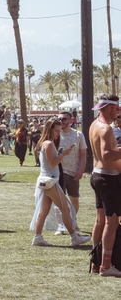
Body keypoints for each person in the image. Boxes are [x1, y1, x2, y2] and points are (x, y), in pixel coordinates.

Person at [30, 117, 90, 248]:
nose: (58, 133)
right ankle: (74, 236)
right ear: (50, 130)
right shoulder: (49, 144)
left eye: (59, 130)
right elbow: (52, 163)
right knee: (65, 208)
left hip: (47, 180)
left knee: (43, 211)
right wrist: (64, 154)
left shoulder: (46, 143)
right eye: (56, 131)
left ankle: (37, 237)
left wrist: (60, 154)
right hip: (50, 181)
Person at [89, 94, 121, 276]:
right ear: (109, 108)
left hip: (97, 175)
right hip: (107, 178)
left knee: (100, 220)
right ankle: (106, 265)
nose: (118, 112)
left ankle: (96, 262)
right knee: (112, 221)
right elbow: (107, 155)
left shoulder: (94, 125)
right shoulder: (106, 128)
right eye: (117, 109)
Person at [57, 110, 87, 232]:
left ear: (71, 121)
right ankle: (61, 226)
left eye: (64, 119)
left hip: (73, 172)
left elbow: (83, 154)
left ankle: (73, 221)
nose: (61, 121)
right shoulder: (56, 134)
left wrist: (81, 170)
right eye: (59, 119)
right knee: (59, 200)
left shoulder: (78, 135)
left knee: (74, 199)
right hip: (59, 172)